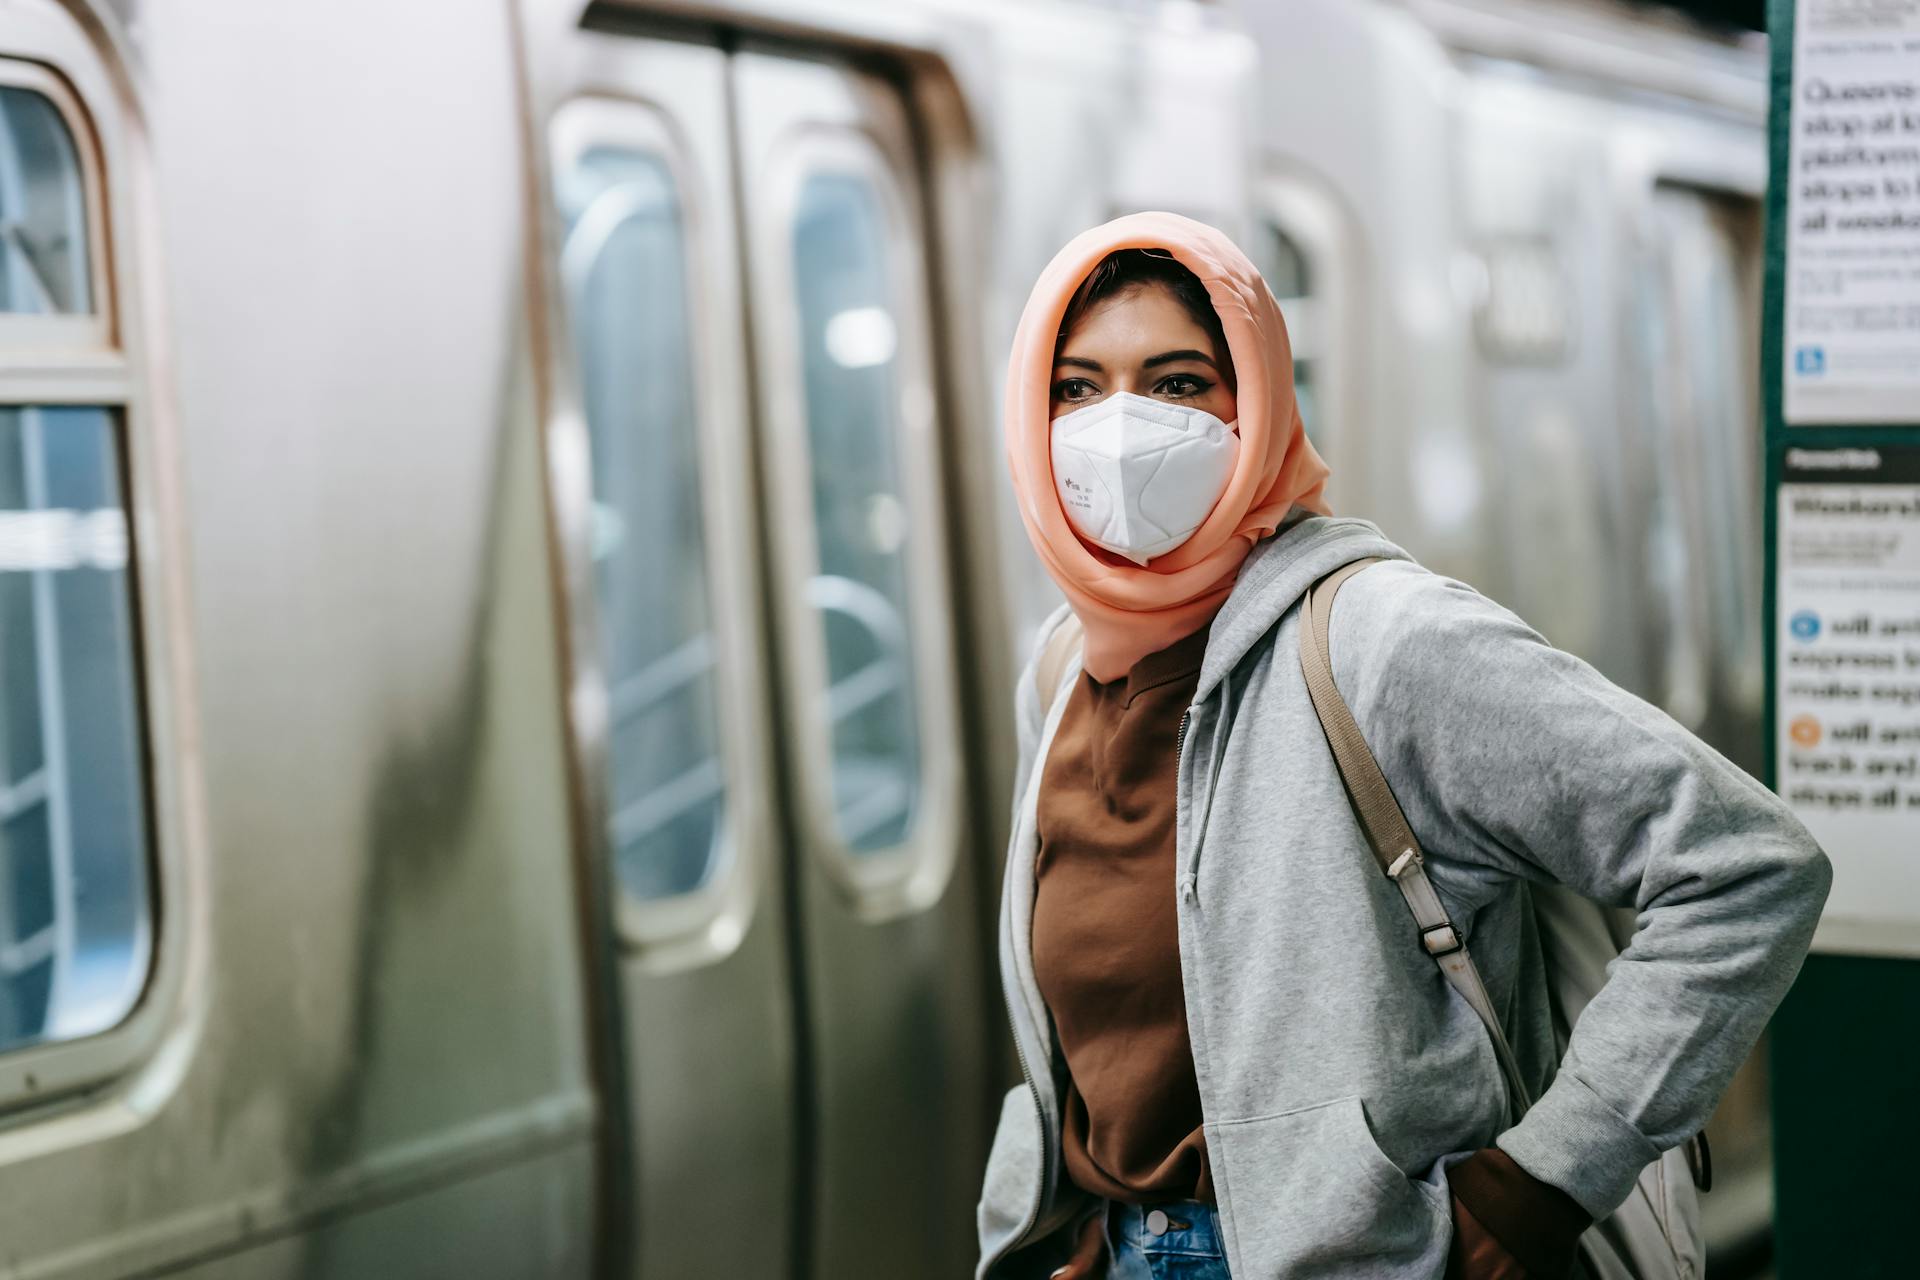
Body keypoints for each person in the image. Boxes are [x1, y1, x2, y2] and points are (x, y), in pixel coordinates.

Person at [974, 211, 1831, 1280]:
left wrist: (1540, 1184)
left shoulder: (1385, 643)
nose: (1122, 424)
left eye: (1182, 381)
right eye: (1077, 386)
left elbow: (1747, 863)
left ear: (1258, 403)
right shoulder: (1062, 676)